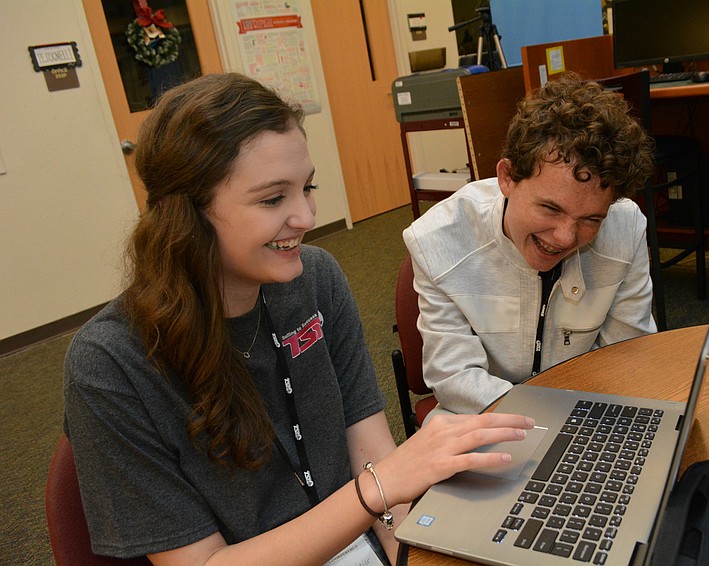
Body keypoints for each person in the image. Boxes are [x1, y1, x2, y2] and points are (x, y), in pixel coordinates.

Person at [62, 73, 534, 566]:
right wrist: (378, 489)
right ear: (186, 215)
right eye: (272, 199)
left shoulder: (315, 280)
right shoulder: (110, 364)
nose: (307, 216)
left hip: (361, 537)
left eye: (306, 188)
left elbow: (367, 449)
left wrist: (407, 558)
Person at [402, 73, 657, 416]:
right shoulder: (437, 239)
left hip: (585, 413)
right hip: (485, 417)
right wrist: (544, 418)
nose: (566, 237)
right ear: (508, 177)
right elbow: (455, 377)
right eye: (550, 208)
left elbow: (627, 355)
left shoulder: (625, 228)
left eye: (591, 219)